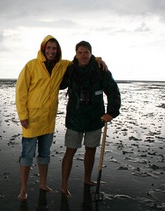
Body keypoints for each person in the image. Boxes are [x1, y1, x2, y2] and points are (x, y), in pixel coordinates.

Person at [16, 35, 107, 201]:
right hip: (32, 118)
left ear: (58, 51)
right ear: (43, 49)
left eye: (54, 48)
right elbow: (21, 91)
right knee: (27, 155)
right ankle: (23, 189)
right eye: (49, 48)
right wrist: (23, 115)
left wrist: (98, 59)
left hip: (48, 119)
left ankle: (42, 184)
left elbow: (82, 60)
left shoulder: (62, 65)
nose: (51, 51)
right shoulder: (31, 65)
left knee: (44, 154)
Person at [60, 40, 121, 196]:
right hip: (75, 117)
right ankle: (64, 185)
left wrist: (111, 113)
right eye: (80, 52)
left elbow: (113, 91)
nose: (83, 55)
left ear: (91, 53)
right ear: (76, 54)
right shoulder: (70, 69)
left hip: (95, 118)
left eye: (86, 52)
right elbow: (57, 84)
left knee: (91, 150)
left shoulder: (100, 69)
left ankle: (87, 179)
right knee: (70, 151)